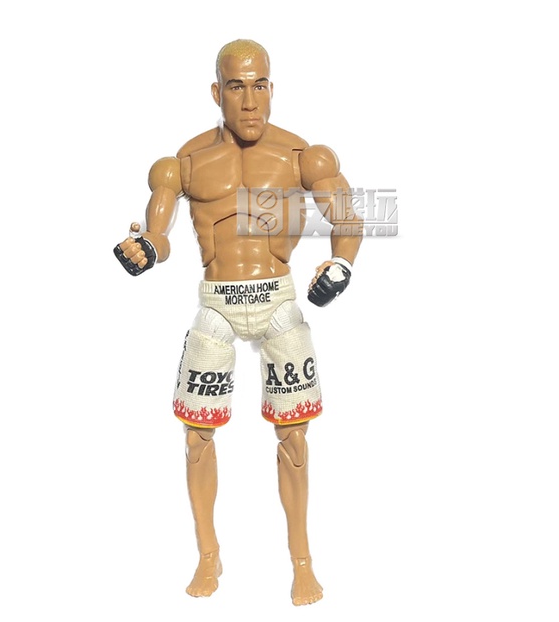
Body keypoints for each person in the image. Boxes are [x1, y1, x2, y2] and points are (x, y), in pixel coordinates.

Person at [114, 39, 362, 606]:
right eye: (236, 87)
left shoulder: (304, 157)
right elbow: (159, 235)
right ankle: (209, 555)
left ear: (272, 89)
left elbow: (348, 218)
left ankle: (302, 561)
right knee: (196, 437)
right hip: (217, 303)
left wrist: (341, 265)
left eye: (259, 86)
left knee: (294, 438)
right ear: (216, 92)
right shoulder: (184, 163)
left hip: (278, 300)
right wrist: (145, 248)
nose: (250, 101)